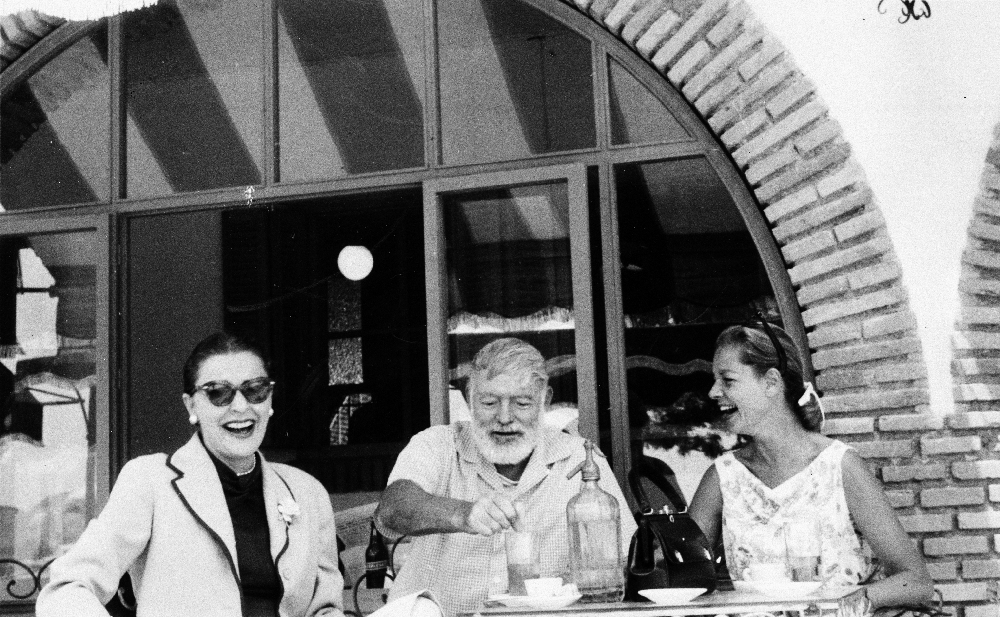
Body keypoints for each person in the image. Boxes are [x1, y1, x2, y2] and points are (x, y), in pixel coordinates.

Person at [37, 332, 344, 617]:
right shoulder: (150, 481)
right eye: (219, 394)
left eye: (255, 390)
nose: (240, 407)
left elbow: (325, 609)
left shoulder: (307, 493)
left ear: (270, 400)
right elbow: (67, 587)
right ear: (191, 405)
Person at [374, 338, 636, 616]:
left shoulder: (580, 459)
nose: (504, 417)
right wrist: (464, 515)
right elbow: (391, 511)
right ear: (468, 398)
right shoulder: (436, 445)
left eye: (522, 403)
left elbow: (624, 561)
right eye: (489, 402)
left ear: (545, 401)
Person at [688, 319, 934, 615]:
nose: (714, 392)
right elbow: (683, 574)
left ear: (771, 382)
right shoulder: (723, 476)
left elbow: (916, 582)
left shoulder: (839, 466)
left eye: (727, 380)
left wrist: (851, 603)